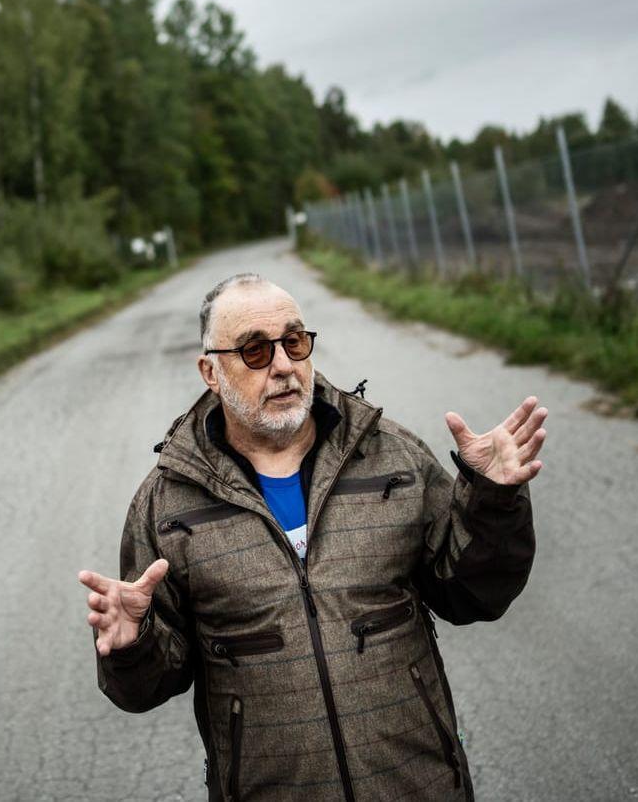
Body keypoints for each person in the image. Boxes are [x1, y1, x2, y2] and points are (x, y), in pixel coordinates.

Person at [77, 272, 542, 801]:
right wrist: (131, 645)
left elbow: (473, 593)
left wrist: (493, 501)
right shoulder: (166, 506)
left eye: (294, 342)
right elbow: (146, 687)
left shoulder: (393, 458)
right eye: (254, 350)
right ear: (210, 370)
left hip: (417, 785)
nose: (283, 366)